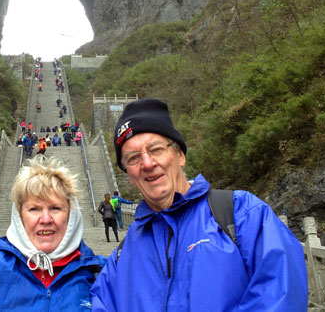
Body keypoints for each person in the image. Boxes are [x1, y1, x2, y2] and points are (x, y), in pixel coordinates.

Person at [91, 98, 308, 311]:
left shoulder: (241, 213)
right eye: (133, 158)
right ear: (129, 174)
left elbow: (281, 294)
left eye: (156, 149)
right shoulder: (124, 254)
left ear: (180, 155)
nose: (147, 163)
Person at [0, 156, 106, 311]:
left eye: (55, 208)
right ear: (19, 216)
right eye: (34, 209)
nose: (45, 219)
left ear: (71, 214)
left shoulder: (101, 273)